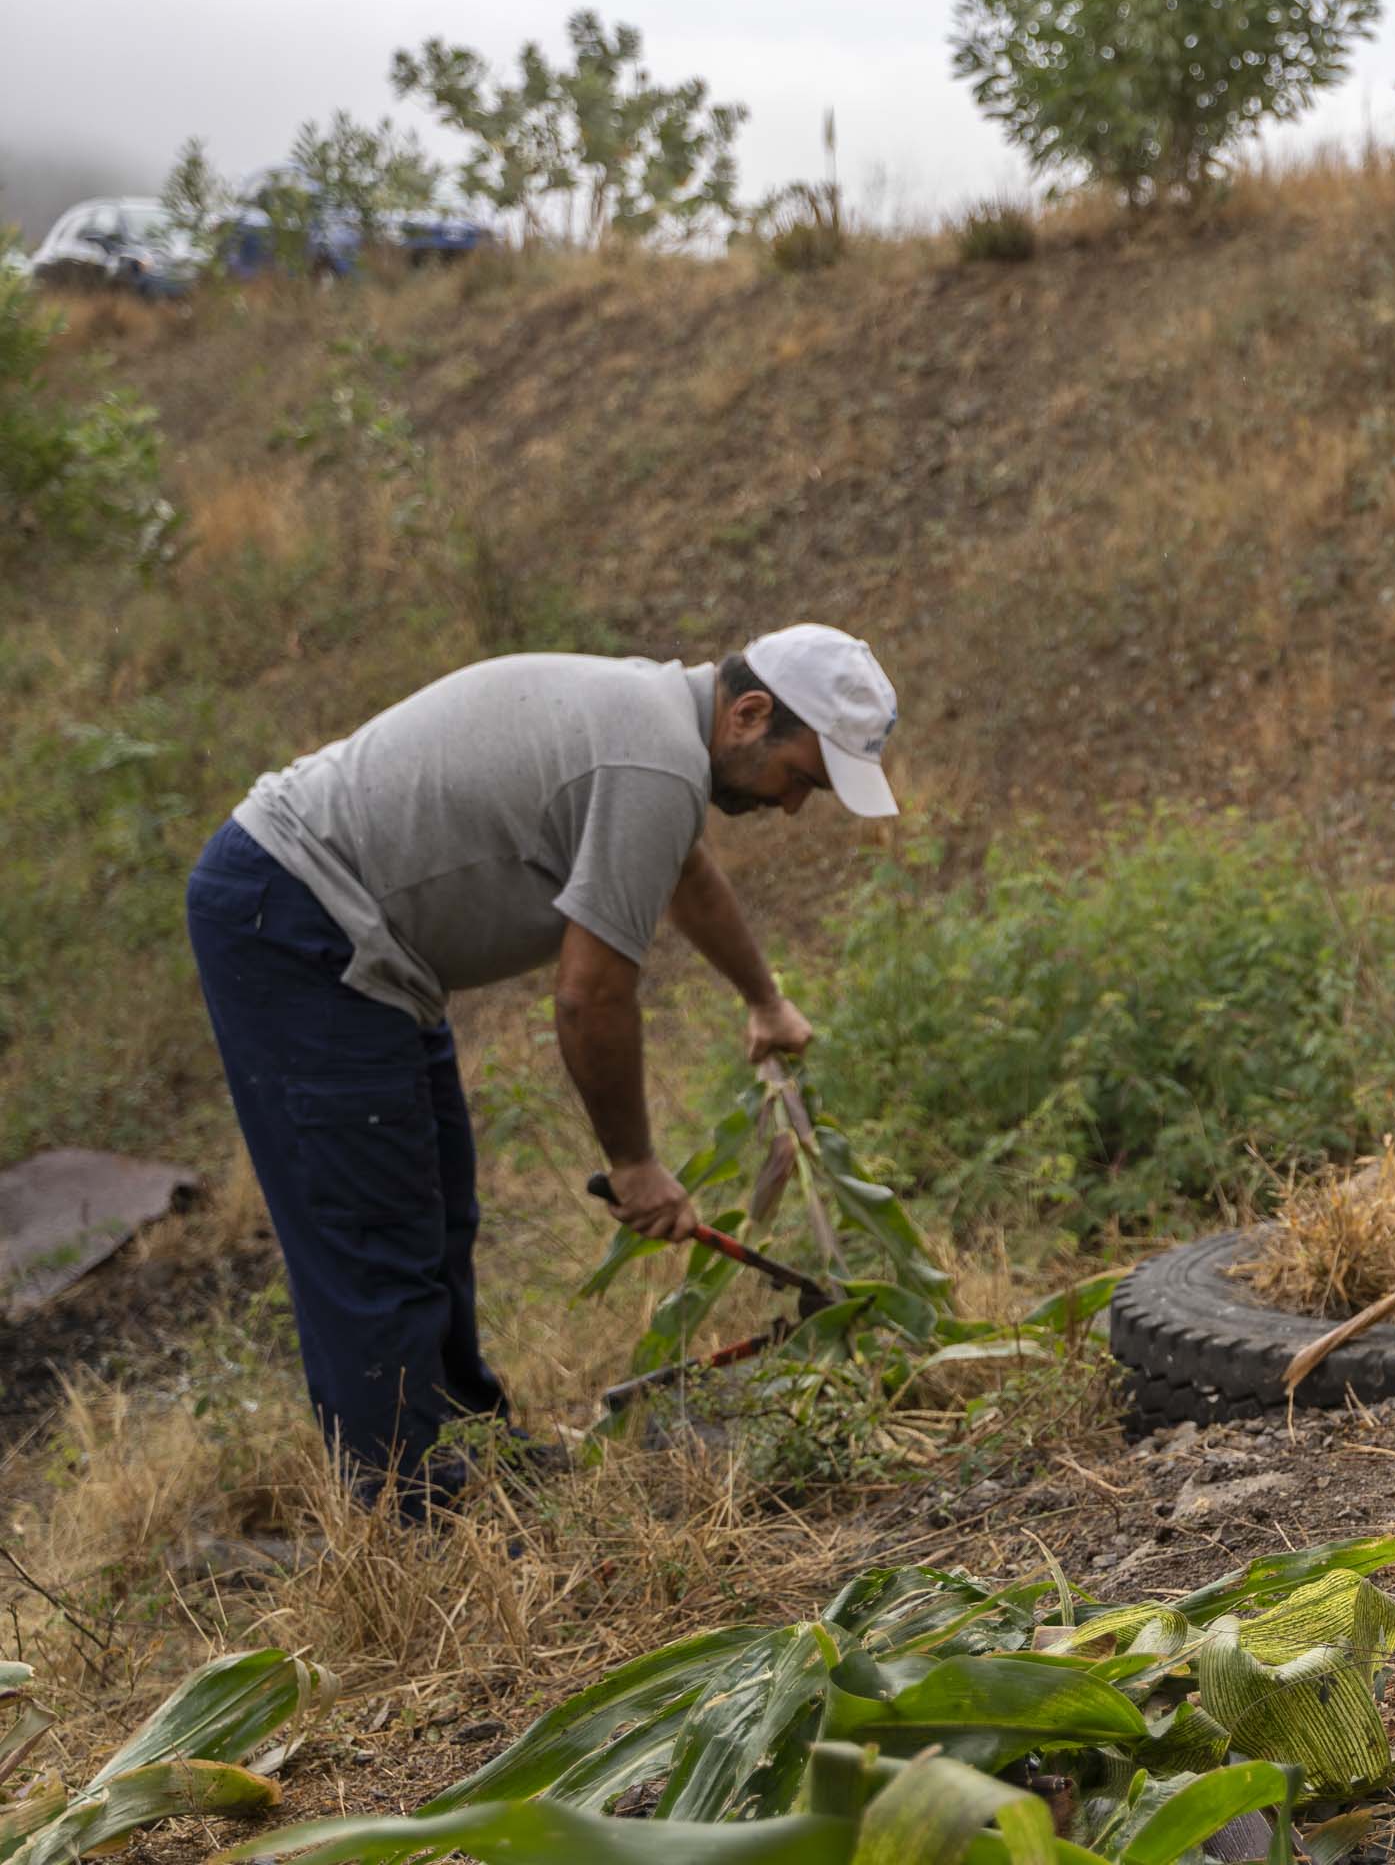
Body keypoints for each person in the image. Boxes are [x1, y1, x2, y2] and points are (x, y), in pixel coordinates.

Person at [184, 623, 902, 1506]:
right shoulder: (653, 764)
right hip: (294, 914)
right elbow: (589, 997)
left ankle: (471, 1448)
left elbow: (688, 877)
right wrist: (634, 1164)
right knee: (373, 1235)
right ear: (751, 714)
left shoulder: (661, 730)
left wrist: (765, 998)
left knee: (437, 1207)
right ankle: (411, 1518)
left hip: (354, 934)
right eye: (800, 779)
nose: (795, 806)